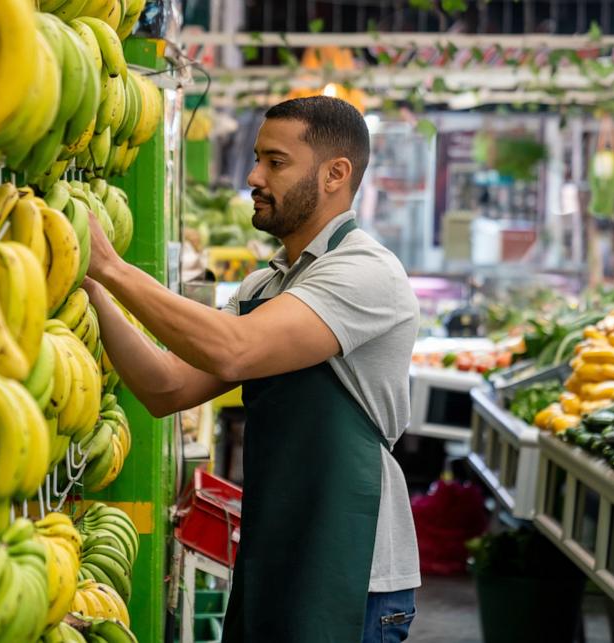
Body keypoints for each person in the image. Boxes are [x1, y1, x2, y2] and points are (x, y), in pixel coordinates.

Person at [82, 96, 421, 642]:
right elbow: (166, 386)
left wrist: (115, 268)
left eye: (275, 162)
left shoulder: (366, 273)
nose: (253, 176)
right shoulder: (267, 286)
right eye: (257, 158)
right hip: (276, 553)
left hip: (355, 572)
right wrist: (93, 287)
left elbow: (232, 349)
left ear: (336, 174)